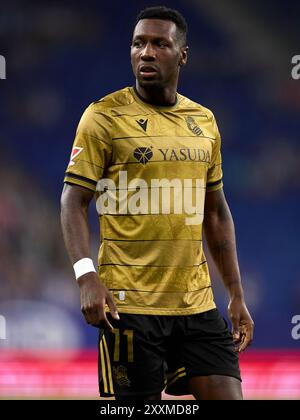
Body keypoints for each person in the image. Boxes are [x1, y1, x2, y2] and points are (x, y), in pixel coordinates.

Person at [60, 6, 254, 401]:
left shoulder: (204, 122)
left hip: (196, 305)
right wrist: (86, 277)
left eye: (159, 44)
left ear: (182, 54)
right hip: (128, 310)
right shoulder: (103, 118)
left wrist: (235, 292)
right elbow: (73, 201)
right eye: (138, 43)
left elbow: (215, 212)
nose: (146, 52)